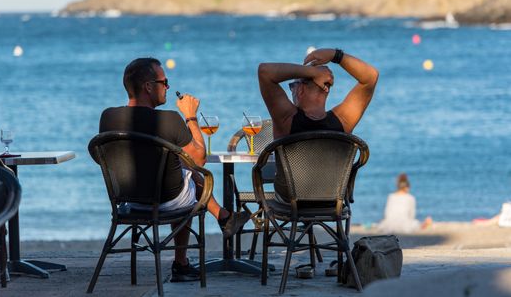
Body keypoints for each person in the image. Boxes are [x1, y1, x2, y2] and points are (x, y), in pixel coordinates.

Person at [99, 58, 250, 282]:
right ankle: (183, 260)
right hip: (166, 201)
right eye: (164, 82)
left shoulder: (108, 117)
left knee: (182, 174)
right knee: (194, 177)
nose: (168, 87)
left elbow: (102, 158)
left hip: (127, 201)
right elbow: (199, 159)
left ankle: (224, 219)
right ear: (148, 87)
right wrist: (190, 116)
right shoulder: (168, 119)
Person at [258, 47, 379, 201]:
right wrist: (336, 55)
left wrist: (312, 72)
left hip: (291, 200)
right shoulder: (343, 120)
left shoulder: (287, 119)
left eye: (292, 86)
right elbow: (371, 77)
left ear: (300, 89)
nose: (292, 91)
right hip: (333, 199)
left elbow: (264, 72)